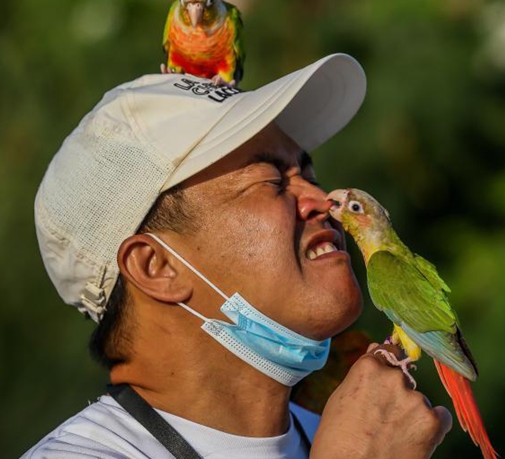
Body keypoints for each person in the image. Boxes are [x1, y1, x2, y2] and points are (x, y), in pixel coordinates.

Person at [23, 54, 452, 459]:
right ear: (158, 267)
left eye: (308, 174)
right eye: (271, 180)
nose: (322, 200)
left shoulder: (362, 434)